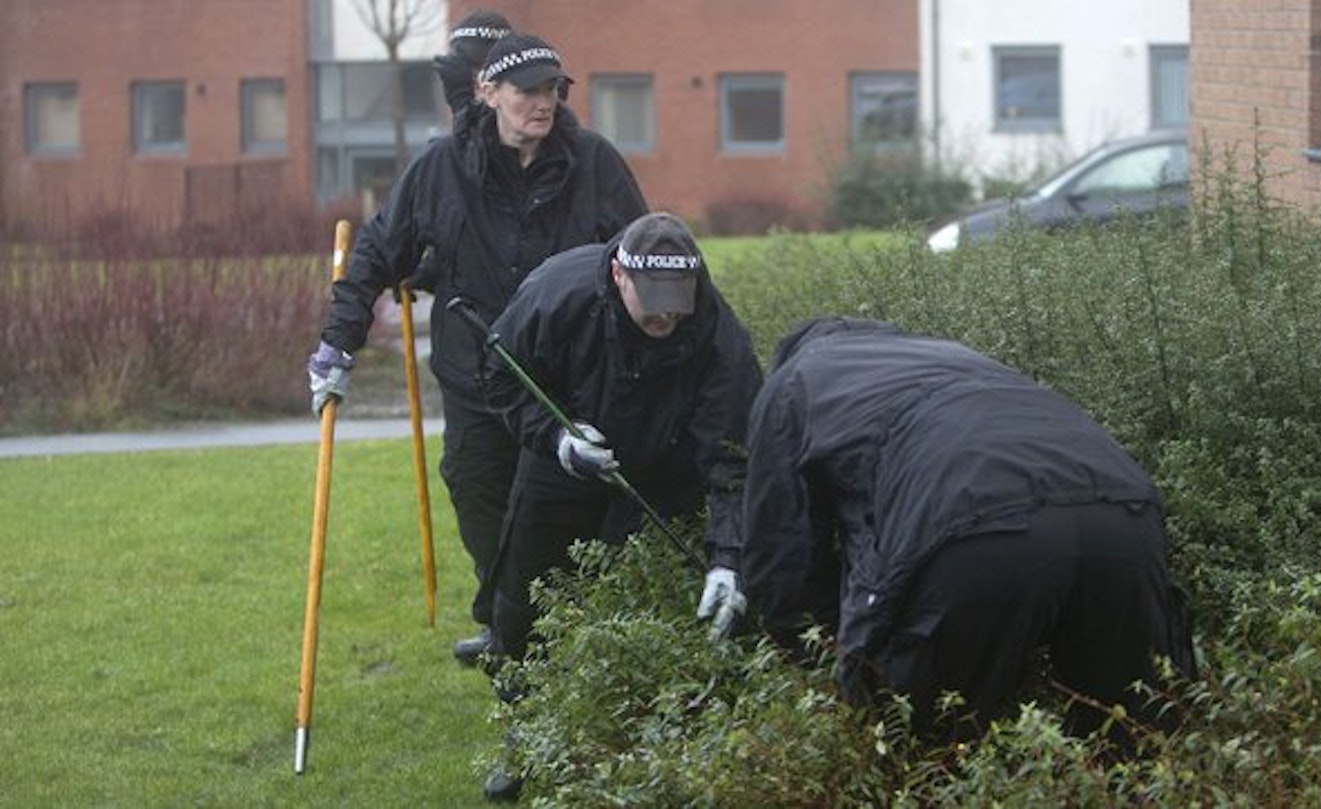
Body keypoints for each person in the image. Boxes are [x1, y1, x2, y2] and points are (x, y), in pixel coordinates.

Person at [306, 32, 649, 670]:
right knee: (477, 493)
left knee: (549, 515)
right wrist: (336, 345)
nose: (543, 103)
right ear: (489, 93)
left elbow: (637, 259)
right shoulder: (441, 170)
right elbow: (380, 252)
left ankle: (539, 643)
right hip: (475, 378)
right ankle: (509, 624)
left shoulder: (594, 163)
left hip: (563, 382)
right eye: (528, 91)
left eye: (553, 89)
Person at [729, 317, 1197, 746]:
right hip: (1123, 512)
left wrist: (818, 657)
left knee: (922, 755)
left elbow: (781, 553)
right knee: (1136, 748)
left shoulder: (792, 384)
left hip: (973, 529)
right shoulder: (946, 352)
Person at [473, 212, 762, 799]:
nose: (665, 317)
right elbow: (499, 376)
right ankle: (522, 737)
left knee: (640, 602)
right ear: (618, 274)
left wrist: (728, 558)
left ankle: (633, 738)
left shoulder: (714, 333)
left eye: (677, 301)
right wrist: (556, 439)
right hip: (563, 458)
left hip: (661, 472)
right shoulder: (559, 293)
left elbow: (731, 455)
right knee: (523, 604)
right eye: (652, 301)